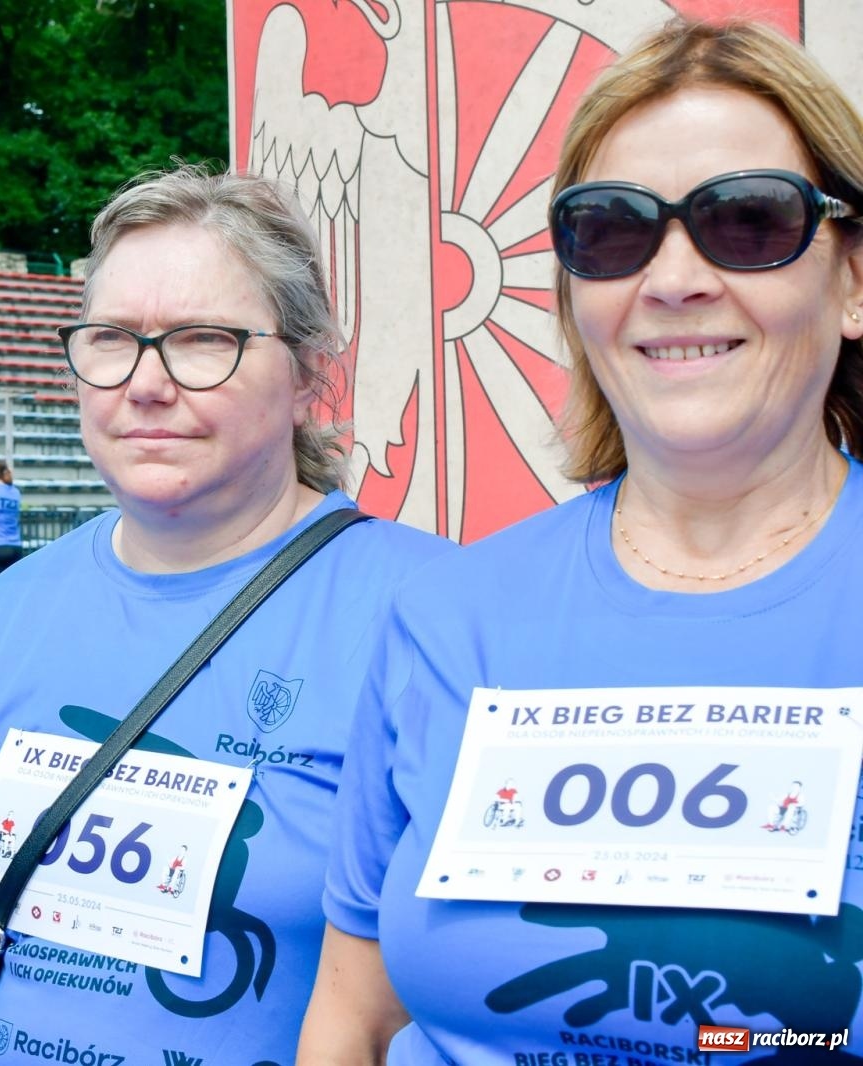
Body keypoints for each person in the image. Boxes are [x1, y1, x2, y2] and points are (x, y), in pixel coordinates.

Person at [299, 20, 863, 1063]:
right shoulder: (447, 620)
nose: (673, 276)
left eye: (747, 221)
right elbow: (353, 1012)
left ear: (852, 279)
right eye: (611, 231)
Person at [0, 165, 452, 1064]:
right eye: (113, 338)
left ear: (312, 371)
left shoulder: (430, 620)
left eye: (203, 340)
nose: (147, 383)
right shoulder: (0, 619)